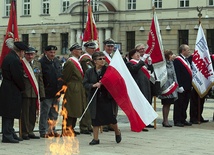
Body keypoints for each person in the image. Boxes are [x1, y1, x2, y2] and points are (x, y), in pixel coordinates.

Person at [83, 52, 121, 145]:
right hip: (95, 98)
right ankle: (95, 139)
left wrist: (105, 83)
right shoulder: (89, 72)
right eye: (100, 59)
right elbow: (85, 84)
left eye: (103, 58)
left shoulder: (108, 70)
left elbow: (115, 81)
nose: (102, 60)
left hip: (106, 98)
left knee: (110, 118)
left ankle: (117, 131)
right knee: (95, 118)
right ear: (95, 61)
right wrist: (93, 85)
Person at [0, 42, 29, 143]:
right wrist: (22, 87)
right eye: (24, 52)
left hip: (9, 87)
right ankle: (7, 134)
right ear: (20, 51)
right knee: (9, 112)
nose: (24, 54)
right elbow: (17, 76)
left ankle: (10, 131)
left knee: (11, 111)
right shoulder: (14, 59)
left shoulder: (11, 57)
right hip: (11, 88)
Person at [62, 43, 87, 135]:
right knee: (70, 109)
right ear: (73, 51)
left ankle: (71, 127)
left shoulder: (77, 61)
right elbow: (66, 76)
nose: (80, 51)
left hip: (79, 87)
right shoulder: (70, 62)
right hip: (72, 87)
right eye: (78, 50)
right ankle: (67, 129)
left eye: (80, 49)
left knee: (76, 108)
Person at [21, 47, 45, 140]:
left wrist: (42, 93)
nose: (30, 56)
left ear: (35, 55)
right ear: (25, 54)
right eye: (28, 54)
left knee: (32, 113)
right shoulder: (22, 64)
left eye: (32, 54)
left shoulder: (37, 64)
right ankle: (24, 132)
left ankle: (30, 130)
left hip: (35, 92)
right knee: (25, 114)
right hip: (25, 93)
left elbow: (40, 80)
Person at [39, 45, 63, 138]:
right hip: (47, 92)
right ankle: (43, 130)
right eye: (50, 52)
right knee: (45, 112)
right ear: (46, 52)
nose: (52, 54)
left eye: (53, 52)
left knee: (54, 112)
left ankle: (52, 130)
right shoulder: (42, 63)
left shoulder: (57, 62)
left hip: (56, 91)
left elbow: (60, 74)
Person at [78, 41, 97, 134]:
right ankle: (84, 126)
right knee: (86, 106)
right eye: (91, 48)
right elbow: (89, 71)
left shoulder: (90, 58)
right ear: (86, 49)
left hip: (90, 85)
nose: (93, 50)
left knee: (90, 106)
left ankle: (89, 125)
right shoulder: (86, 59)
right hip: (87, 85)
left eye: (94, 48)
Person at [173, 44, 192, 127]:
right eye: (188, 50)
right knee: (179, 104)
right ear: (183, 51)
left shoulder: (186, 60)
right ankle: (177, 120)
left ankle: (183, 119)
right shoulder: (178, 60)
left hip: (187, 85)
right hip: (181, 86)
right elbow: (177, 74)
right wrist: (179, 85)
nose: (189, 51)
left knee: (185, 103)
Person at [158, 50, 178, 127]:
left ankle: (166, 119)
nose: (172, 55)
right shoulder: (162, 64)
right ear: (167, 55)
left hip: (172, 84)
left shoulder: (171, 63)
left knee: (169, 103)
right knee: (166, 103)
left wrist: (176, 84)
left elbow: (174, 74)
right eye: (171, 54)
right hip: (165, 86)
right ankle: (165, 120)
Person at [102, 38, 118, 132]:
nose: (110, 48)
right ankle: (104, 124)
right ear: (105, 46)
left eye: (112, 46)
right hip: (105, 84)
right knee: (105, 105)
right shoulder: (102, 56)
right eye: (108, 46)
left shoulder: (114, 56)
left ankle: (112, 123)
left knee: (114, 105)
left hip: (114, 84)